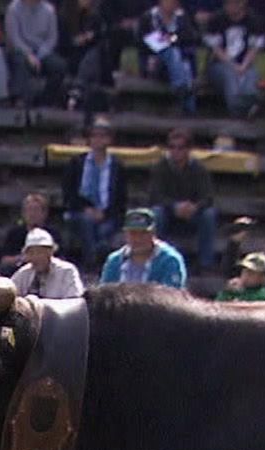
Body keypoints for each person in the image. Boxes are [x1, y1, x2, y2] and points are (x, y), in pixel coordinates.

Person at [60, 116, 125, 270]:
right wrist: (86, 209)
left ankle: (100, 263)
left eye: (102, 136)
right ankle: (92, 262)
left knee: (105, 231)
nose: (98, 140)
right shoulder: (76, 163)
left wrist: (105, 213)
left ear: (109, 139)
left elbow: (121, 199)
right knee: (87, 222)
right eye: (94, 136)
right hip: (80, 211)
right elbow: (68, 193)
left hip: (108, 215)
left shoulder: (117, 166)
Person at [147, 126, 215, 270]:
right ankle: (155, 260)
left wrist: (194, 206)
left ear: (188, 149)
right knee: (156, 213)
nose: (176, 151)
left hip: (192, 213)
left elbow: (208, 197)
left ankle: (205, 264)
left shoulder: (199, 169)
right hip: (168, 213)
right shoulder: (160, 167)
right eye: (172, 147)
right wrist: (174, 206)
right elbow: (155, 195)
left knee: (209, 215)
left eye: (181, 147)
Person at [204, 0, 265, 119]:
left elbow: (254, 48)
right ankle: (242, 111)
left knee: (251, 79)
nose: (229, 6)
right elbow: (216, 50)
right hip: (220, 65)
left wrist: (244, 65)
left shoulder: (253, 20)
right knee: (230, 77)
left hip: (245, 64)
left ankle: (246, 107)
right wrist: (233, 66)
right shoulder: (217, 19)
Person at [99, 207, 187, 289]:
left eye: (143, 233)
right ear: (125, 234)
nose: (138, 239)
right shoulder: (114, 261)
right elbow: (104, 295)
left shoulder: (170, 260)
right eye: (133, 233)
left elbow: (172, 297)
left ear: (153, 233)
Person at [140, 0, 198, 115]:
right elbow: (146, 43)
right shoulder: (149, 17)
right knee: (173, 53)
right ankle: (188, 106)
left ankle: (182, 93)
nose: (172, 3)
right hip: (155, 63)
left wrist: (170, 39)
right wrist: (172, 40)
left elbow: (190, 38)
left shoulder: (182, 17)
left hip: (179, 64)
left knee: (183, 63)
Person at [4, 0, 63, 107]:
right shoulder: (13, 8)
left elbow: (52, 39)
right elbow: (14, 38)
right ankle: (19, 101)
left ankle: (46, 102)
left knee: (59, 66)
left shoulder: (49, 10)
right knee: (20, 62)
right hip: (20, 49)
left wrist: (39, 56)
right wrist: (28, 53)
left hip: (42, 52)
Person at [9, 228, 83, 298]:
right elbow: (9, 293)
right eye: (31, 253)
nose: (35, 257)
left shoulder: (66, 271)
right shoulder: (23, 274)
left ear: (50, 252)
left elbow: (75, 300)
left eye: (40, 252)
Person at [0, 190, 52, 275]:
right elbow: (5, 260)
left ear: (44, 213)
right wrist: (24, 258)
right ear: (23, 213)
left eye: (36, 210)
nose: (32, 214)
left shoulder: (52, 234)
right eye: (29, 210)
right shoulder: (14, 233)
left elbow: (60, 259)